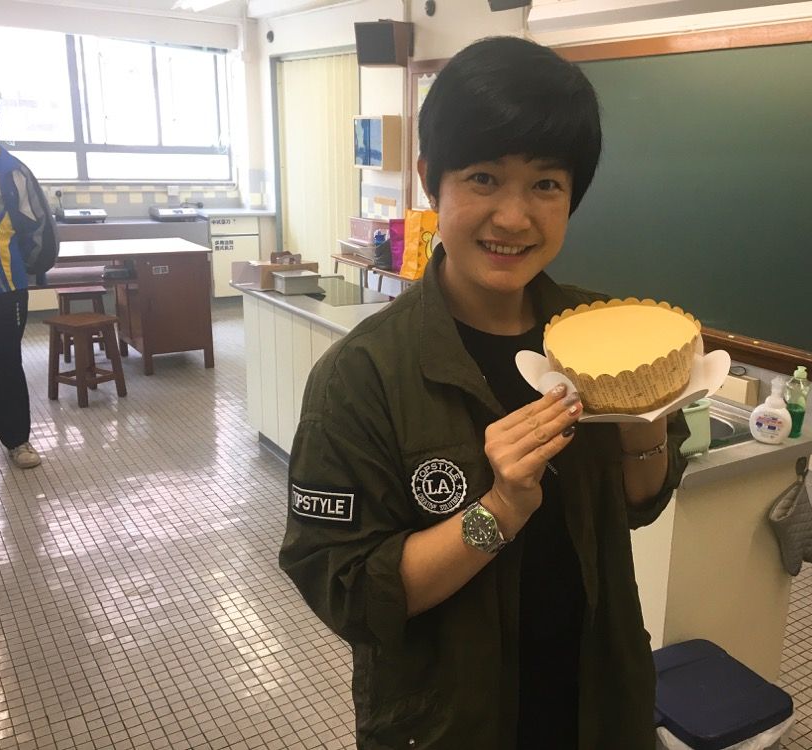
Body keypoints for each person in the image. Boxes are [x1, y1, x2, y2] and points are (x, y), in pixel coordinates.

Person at [280, 36, 690, 749]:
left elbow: (641, 501)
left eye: (545, 185)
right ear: (430, 180)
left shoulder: (602, 335)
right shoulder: (363, 375)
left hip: (600, 706)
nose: (514, 217)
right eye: (482, 178)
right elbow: (349, 590)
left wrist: (644, 421)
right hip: (448, 724)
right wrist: (497, 511)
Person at [0, 87, 57, 469]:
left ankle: (16, 441)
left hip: (2, 290)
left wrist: (21, 268)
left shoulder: (11, 172)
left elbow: (37, 227)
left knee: (6, 364)